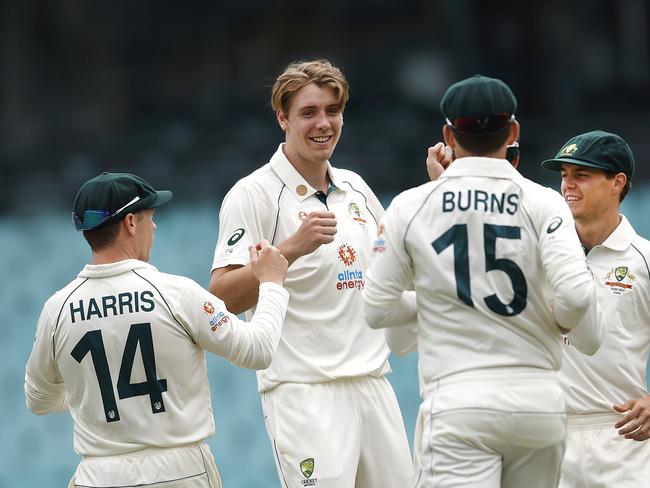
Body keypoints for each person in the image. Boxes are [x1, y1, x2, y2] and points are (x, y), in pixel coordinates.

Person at [363, 74, 605, 488]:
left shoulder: (409, 206)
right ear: (512, 132)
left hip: (459, 404)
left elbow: (377, 309)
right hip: (539, 406)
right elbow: (577, 297)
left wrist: (445, 299)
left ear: (448, 135)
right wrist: (555, 314)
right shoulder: (545, 202)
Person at [209, 59, 413, 487]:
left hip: (374, 384)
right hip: (305, 393)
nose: (324, 123)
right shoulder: (253, 195)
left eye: (332, 111)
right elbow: (222, 298)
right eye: (308, 112)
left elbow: (401, 267)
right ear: (282, 117)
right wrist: (290, 250)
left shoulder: (356, 188)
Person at [24, 172, 290, 488]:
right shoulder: (176, 293)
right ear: (130, 222)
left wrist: (89, 394)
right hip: (181, 472)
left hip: (98, 476)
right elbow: (257, 350)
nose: (154, 226)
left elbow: (39, 400)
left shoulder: (57, 309)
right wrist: (271, 283)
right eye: (150, 216)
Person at [541, 130, 650, 487]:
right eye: (564, 175)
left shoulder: (644, 260)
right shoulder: (541, 253)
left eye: (581, 175)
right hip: (548, 437)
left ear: (617, 182)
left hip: (623, 439)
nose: (568, 186)